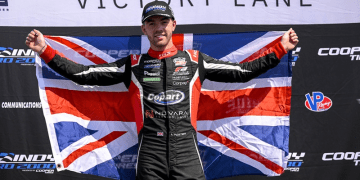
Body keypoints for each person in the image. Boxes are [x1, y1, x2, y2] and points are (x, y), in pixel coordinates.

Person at [25, 1, 298, 180]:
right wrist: (45, 50)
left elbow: (242, 73)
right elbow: (83, 75)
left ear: (173, 25)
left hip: (187, 148)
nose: (159, 28)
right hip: (150, 151)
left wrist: (279, 48)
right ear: (144, 29)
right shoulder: (132, 66)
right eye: (152, 23)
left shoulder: (194, 61)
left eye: (163, 22)